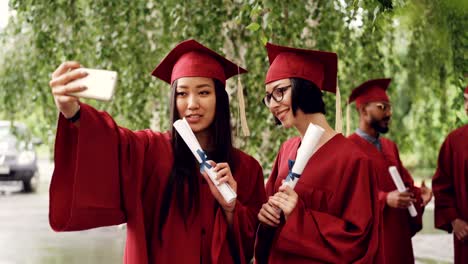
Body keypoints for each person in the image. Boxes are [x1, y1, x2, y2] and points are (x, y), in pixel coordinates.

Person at [48, 39, 266, 264]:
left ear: (219, 99)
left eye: (203, 92)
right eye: (182, 94)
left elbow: (255, 247)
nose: (192, 104)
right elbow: (111, 144)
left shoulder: (246, 168)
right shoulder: (150, 150)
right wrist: (73, 113)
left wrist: (230, 209)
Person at [254, 43, 381, 263]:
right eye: (268, 97)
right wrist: (265, 218)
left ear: (304, 87)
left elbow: (359, 239)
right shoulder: (286, 150)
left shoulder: (353, 160)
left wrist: (298, 216)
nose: (273, 105)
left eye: (279, 91)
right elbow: (267, 211)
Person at [346, 78, 432, 263]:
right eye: (382, 107)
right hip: (371, 241)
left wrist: (420, 195)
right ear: (362, 110)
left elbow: (405, 184)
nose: (389, 113)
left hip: (397, 237)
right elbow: (346, 197)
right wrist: (384, 198)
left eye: (389, 107)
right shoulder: (347, 148)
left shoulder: (390, 146)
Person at [432, 85, 468, 264]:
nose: (467, 107)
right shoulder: (455, 141)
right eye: (466, 100)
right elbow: (442, 185)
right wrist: (454, 219)